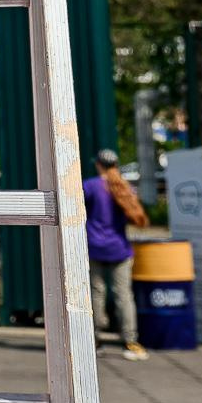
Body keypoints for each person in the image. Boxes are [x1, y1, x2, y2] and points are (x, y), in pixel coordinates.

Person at [82, 148, 150, 360]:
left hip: (95, 247)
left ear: (98, 164)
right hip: (120, 248)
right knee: (124, 295)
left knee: (96, 293)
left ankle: (95, 339)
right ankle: (130, 341)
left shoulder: (91, 186)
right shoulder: (124, 186)